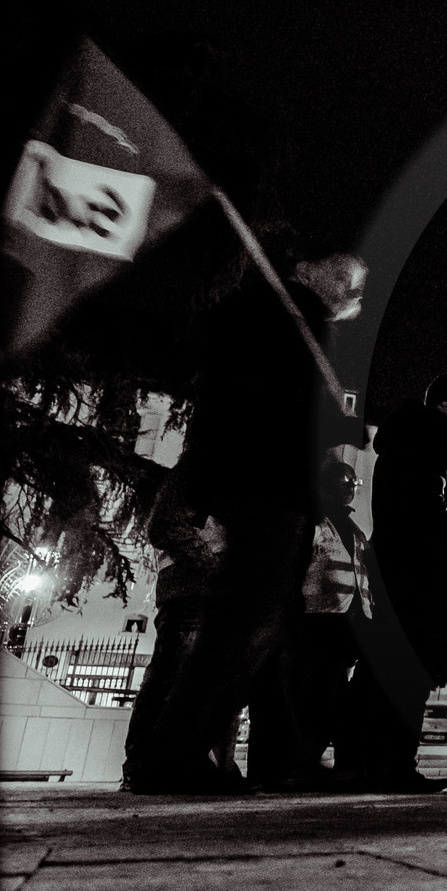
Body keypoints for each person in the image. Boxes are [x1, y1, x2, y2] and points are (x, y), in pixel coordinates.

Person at [131, 242, 368, 793]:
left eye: (356, 286)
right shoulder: (272, 313)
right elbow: (248, 397)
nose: (352, 292)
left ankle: (285, 753)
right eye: (343, 275)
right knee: (243, 627)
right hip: (264, 484)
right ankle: (172, 753)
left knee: (271, 630)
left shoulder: (300, 323)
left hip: (276, 484)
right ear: (306, 268)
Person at [350, 372, 447, 792]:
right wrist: (445, 556)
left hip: (402, 570)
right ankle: (391, 765)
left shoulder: (415, 435)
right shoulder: (432, 435)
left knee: (384, 671)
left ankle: (363, 762)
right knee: (407, 672)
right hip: (418, 576)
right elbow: (426, 503)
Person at [121, 456, 227, 788]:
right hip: (190, 588)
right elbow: (164, 524)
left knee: (193, 678)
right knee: (174, 674)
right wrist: (213, 564)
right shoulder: (198, 468)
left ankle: (172, 761)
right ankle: (145, 765)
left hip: (208, 591)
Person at [285, 454, 374, 787]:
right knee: (316, 695)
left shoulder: (355, 529)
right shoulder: (315, 522)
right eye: (344, 480)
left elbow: (363, 578)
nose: (351, 487)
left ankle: (333, 763)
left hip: (349, 625)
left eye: (355, 482)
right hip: (318, 621)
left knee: (338, 698)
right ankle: (300, 763)